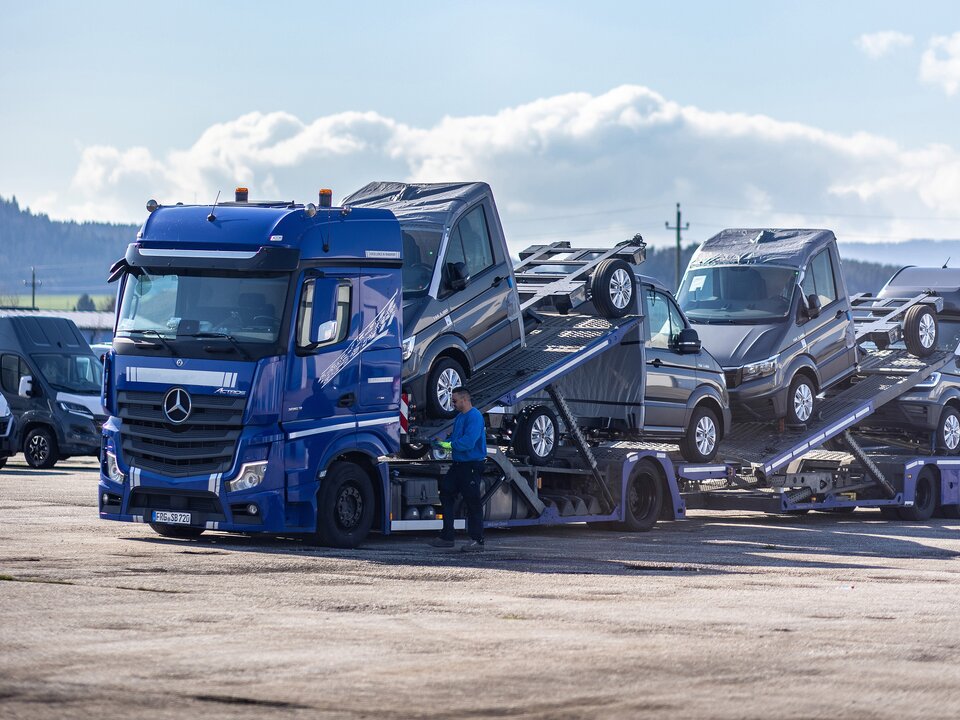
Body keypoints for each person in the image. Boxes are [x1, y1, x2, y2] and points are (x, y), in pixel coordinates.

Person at [429, 386, 487, 552]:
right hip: (459, 465)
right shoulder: (461, 417)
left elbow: (468, 442)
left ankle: (478, 540)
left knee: (472, 502)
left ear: (464, 400)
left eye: (454, 400)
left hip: (471, 465)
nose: (452, 403)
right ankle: (447, 536)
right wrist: (444, 440)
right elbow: (455, 439)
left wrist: (446, 445)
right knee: (446, 493)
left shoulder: (474, 416)